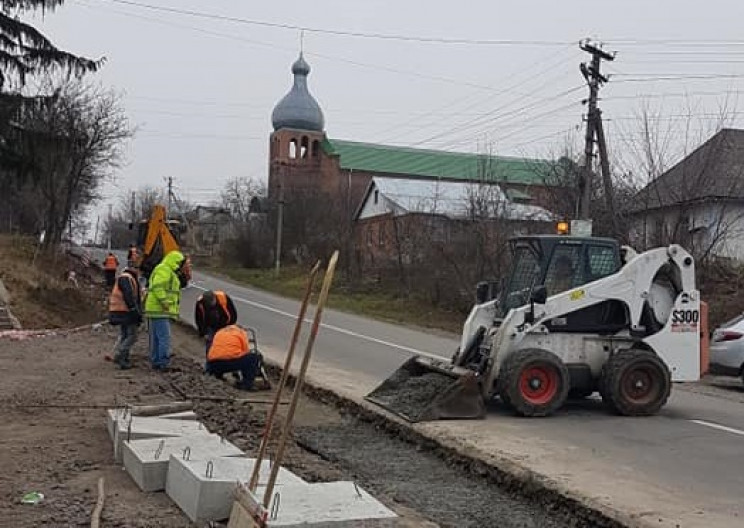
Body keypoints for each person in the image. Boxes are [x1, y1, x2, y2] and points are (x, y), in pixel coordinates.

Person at [144, 250, 185, 371]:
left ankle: (156, 361)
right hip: (159, 309)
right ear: (176, 262)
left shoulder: (165, 269)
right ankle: (162, 362)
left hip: (155, 309)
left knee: (157, 337)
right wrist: (164, 302)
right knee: (164, 337)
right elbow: (158, 286)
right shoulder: (165, 270)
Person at [206, 324, 260, 390]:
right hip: (229, 363)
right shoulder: (240, 332)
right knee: (252, 358)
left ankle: (217, 375)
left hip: (212, 364)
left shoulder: (219, 332)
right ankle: (247, 384)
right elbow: (245, 351)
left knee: (221, 355)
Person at [108, 267, 143, 370]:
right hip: (125, 311)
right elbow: (129, 295)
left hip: (120, 310)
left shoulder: (126, 277)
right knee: (132, 335)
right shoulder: (127, 278)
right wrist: (134, 310)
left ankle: (123, 357)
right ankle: (121, 356)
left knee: (125, 334)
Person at [195, 290, 238, 356]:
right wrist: (202, 333)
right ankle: (210, 360)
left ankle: (224, 359)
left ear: (215, 298)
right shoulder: (200, 303)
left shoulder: (223, 298)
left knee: (225, 344)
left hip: (225, 325)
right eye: (209, 304)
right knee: (210, 343)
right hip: (210, 326)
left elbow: (233, 313)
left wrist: (231, 326)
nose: (211, 305)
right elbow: (199, 319)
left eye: (212, 303)